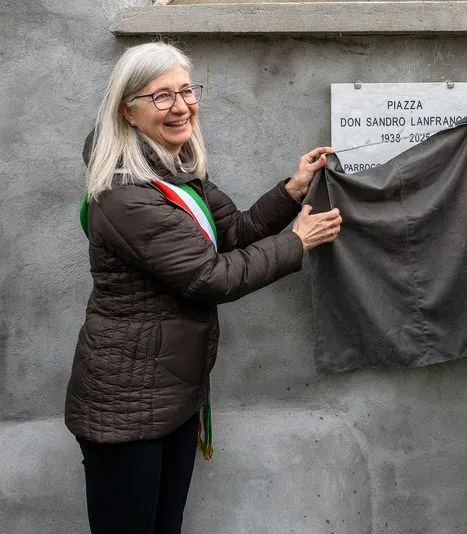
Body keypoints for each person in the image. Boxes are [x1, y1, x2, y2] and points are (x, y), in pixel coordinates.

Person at [64, 42, 342, 534]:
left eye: (186, 90)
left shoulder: (173, 171)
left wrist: (291, 191)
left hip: (168, 396)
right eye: (162, 96)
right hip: (128, 406)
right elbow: (208, 277)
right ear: (128, 111)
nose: (181, 106)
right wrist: (296, 243)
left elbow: (231, 233)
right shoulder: (126, 195)